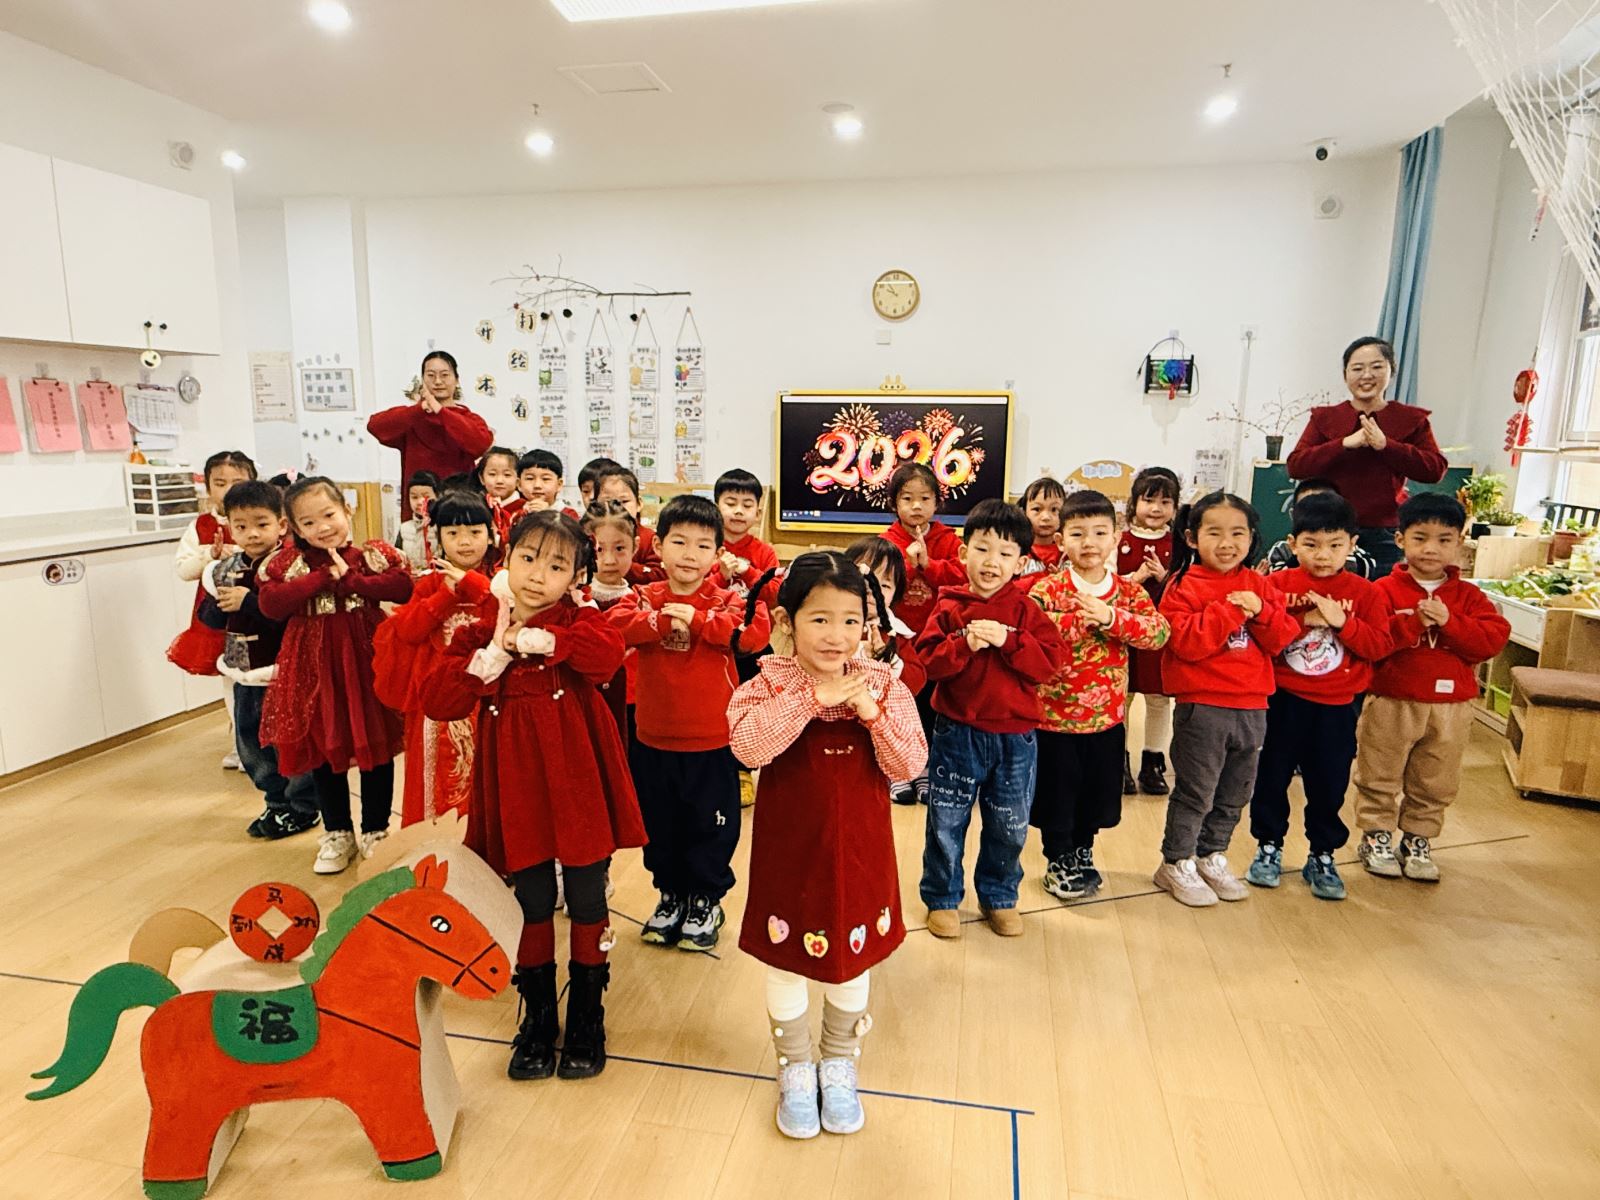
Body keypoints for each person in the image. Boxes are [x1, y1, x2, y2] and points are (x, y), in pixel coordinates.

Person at [424, 510, 644, 1081]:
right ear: (506, 559)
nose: (538, 575)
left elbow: (605, 657)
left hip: (578, 776)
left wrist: (540, 639)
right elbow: (439, 701)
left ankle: (588, 1014)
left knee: (588, 893)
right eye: (527, 558)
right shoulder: (479, 630)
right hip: (516, 779)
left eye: (557, 565)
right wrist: (494, 652)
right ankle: (539, 1016)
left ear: (575, 576)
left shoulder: (582, 620)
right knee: (532, 896)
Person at [728, 553, 928, 1140]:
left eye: (850, 621)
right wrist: (812, 699)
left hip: (861, 851)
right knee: (785, 960)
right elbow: (747, 747)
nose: (836, 636)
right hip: (790, 852)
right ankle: (795, 1067)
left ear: (867, 625)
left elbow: (910, 763)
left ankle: (838, 1063)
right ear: (786, 621)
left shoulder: (883, 684)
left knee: (850, 962)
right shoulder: (768, 683)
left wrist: (869, 712)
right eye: (819, 619)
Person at [609, 495, 772, 951]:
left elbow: (751, 636)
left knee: (711, 825)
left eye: (702, 546)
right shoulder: (643, 597)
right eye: (678, 542)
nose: (689, 554)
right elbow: (616, 626)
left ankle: (705, 899)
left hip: (711, 742)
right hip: (652, 739)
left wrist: (698, 621)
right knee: (659, 825)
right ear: (658, 546)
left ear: (718, 554)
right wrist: (661, 623)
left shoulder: (726, 600)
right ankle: (670, 895)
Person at [914, 499, 1067, 939]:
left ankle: (999, 896)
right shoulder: (948, 606)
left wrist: (1010, 641)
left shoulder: (1027, 611)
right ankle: (943, 898)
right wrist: (964, 645)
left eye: (1005, 553)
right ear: (964, 553)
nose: (991, 561)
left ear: (1020, 563)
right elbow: (928, 664)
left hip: (1016, 738)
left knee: (1009, 824)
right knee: (946, 821)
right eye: (982, 549)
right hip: (956, 733)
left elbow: (1051, 665)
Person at [258, 477, 414, 875]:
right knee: (324, 747)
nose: (322, 527)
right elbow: (271, 604)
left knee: (375, 744)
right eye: (308, 522)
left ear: (347, 510)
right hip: (313, 665)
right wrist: (322, 577)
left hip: (366, 659)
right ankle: (337, 831)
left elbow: (402, 588)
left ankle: (376, 829)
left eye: (329, 515)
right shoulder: (290, 564)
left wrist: (352, 580)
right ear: (294, 528)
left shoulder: (369, 555)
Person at [1352, 493, 1510, 882]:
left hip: (1451, 706)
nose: (1431, 548)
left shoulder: (1470, 597)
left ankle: (1418, 839)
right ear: (1400, 539)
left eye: (1444, 539)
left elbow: (1490, 641)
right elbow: (1371, 642)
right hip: (1392, 699)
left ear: (1460, 542)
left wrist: (1450, 622)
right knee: (1379, 771)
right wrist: (1413, 624)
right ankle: (1376, 836)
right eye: (1420, 537)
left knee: (1436, 777)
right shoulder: (1381, 590)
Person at [1153, 492, 1299, 908]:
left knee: (1236, 791)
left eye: (1238, 533)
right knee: (1197, 790)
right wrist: (1234, 611)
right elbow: (1187, 643)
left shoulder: (1258, 584)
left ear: (1251, 537)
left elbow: (1282, 639)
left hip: (1253, 705)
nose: (1227, 543)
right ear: (1192, 538)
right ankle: (1176, 861)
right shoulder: (1182, 584)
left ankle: (1211, 854)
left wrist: (1261, 612)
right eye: (1214, 533)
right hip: (1202, 706)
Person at [1245, 492, 1393, 900]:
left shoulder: (1365, 593)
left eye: (1335, 545)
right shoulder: (1276, 586)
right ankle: (1268, 846)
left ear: (1352, 544)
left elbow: (1379, 647)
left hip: (1337, 707)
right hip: (1282, 700)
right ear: (1293, 545)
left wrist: (1343, 622)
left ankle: (1322, 854)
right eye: (1311, 544)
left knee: (1329, 783)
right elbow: (1262, 639)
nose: (1323, 555)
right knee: (1271, 777)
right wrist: (1303, 620)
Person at [1029, 490, 1169, 900]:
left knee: (1096, 795)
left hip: (1106, 721)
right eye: (1077, 534)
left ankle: (1082, 851)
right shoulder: (1047, 589)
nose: (1088, 542)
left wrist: (1111, 618)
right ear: (1061, 540)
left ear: (1116, 538)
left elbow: (1158, 633)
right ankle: (1058, 859)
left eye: (1099, 533)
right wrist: (1079, 620)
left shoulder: (1128, 593)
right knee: (1057, 797)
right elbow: (1030, 630)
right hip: (1053, 721)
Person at [198, 480, 318, 840]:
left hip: (285, 672)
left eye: (261, 524)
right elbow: (209, 618)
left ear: (281, 525)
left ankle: (303, 807)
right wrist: (218, 605)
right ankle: (276, 802)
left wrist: (249, 601)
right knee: (250, 740)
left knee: (290, 741)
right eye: (241, 526)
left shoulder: (293, 567)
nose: (252, 534)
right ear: (230, 528)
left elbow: (294, 615)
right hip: (244, 672)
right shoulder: (224, 568)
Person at [371, 492, 498, 826]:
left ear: (491, 535)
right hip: (437, 699)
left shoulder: (501, 581)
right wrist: (446, 595)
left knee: (489, 773)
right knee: (433, 778)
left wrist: (472, 585)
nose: (464, 542)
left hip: (490, 697)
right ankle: (433, 846)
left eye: (475, 532)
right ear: (438, 538)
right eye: (453, 533)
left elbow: (506, 618)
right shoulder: (429, 584)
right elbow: (408, 630)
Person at [1285, 336, 1447, 574]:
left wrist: (1386, 445)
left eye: (1376, 367)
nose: (1367, 375)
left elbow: (1435, 469)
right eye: (1357, 368)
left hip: (1385, 532)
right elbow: (1296, 465)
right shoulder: (1325, 418)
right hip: (1326, 531)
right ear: (1345, 375)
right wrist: (1343, 444)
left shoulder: (1410, 419)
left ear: (1391, 371)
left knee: (1380, 593)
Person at [880, 461, 965, 803]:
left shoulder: (949, 541)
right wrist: (906, 560)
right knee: (899, 705)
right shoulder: (886, 542)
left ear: (936, 502)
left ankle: (925, 768)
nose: (916, 506)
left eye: (925, 498)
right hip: (898, 641)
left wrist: (928, 565)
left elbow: (961, 580)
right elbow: (880, 583)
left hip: (936, 640)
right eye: (907, 498)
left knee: (930, 706)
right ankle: (898, 771)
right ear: (894, 503)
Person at [169, 450, 255, 769]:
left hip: (255, 613)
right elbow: (183, 569)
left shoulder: (263, 519)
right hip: (218, 617)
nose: (229, 489)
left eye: (238, 481)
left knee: (256, 678)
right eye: (220, 483)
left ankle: (262, 745)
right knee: (230, 678)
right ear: (208, 488)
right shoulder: (202, 526)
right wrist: (210, 556)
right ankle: (241, 746)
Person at [846, 536, 928, 804]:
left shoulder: (895, 633)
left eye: (884, 584)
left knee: (869, 798)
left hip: (881, 731)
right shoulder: (832, 626)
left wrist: (888, 659)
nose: (872, 589)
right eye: (865, 578)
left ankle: (899, 775)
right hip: (836, 729)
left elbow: (916, 680)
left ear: (895, 595)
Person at [368, 351, 494, 518]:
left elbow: (480, 444)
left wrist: (441, 411)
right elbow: (375, 426)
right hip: (418, 511)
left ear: (456, 380)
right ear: (423, 380)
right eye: (431, 375)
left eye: (445, 375)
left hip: (459, 509)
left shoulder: (468, 419)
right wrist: (419, 409)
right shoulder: (412, 418)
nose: (438, 381)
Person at [1117, 465, 1181, 796]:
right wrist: (1136, 579)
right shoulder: (1120, 540)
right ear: (1134, 503)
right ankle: (1119, 763)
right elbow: (1107, 582)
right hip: (1124, 634)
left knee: (1159, 699)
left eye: (1165, 502)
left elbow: (1186, 586)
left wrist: (1165, 577)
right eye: (1148, 500)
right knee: (1123, 697)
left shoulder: (1178, 543)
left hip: (1159, 634)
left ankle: (1153, 763)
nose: (1156, 509)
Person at [581, 500, 640, 740]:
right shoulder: (576, 602)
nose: (608, 560)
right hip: (585, 701)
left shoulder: (642, 601)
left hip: (634, 704)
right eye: (598, 550)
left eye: (619, 548)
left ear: (635, 546)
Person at [1259, 478, 1377, 579]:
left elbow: (1364, 571)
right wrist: (1302, 550)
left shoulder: (1353, 551)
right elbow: (1277, 578)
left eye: (1334, 545)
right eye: (1307, 509)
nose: (1322, 556)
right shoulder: (1282, 549)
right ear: (1293, 514)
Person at [593, 464, 664, 584]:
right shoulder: (590, 535)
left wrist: (624, 563)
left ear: (639, 504)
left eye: (624, 501)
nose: (617, 507)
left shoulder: (651, 538)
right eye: (608, 502)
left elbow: (659, 574)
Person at [1015, 475, 1067, 588]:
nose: (1046, 517)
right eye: (1037, 509)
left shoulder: (1069, 552)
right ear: (1024, 511)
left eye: (1054, 509)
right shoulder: (1015, 550)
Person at [478, 446, 526, 546]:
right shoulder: (476, 506)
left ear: (518, 480)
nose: (499, 481)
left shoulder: (525, 510)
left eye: (507, 475)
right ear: (482, 478)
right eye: (492, 474)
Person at [396, 470, 439, 571]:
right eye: (414, 497)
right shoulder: (404, 528)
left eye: (426, 496)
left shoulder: (441, 526)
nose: (420, 502)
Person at [518, 449, 576, 517]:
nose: (537, 485)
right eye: (530, 478)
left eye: (545, 479)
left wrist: (548, 514)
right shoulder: (516, 513)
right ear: (519, 484)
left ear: (559, 485)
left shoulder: (568, 515)